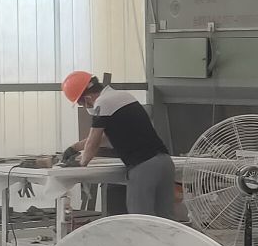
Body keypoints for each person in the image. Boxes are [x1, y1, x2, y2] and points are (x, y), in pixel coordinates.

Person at [61, 70, 175, 220]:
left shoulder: (102, 103)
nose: (84, 106)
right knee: (166, 221)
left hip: (144, 166)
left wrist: (81, 164)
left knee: (141, 220)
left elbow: (94, 140)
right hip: (165, 163)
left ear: (87, 98)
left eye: (81, 103)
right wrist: (74, 148)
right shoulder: (123, 97)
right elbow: (105, 137)